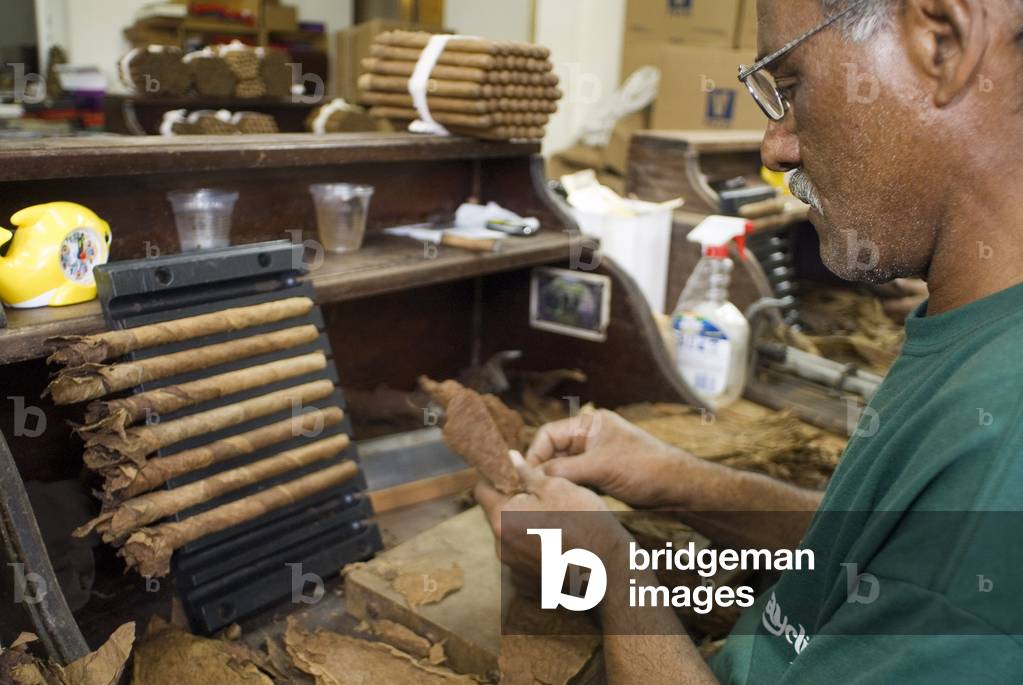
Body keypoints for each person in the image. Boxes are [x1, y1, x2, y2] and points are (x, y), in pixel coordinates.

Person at [475, 0, 1023, 682]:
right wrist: (683, 483)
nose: (776, 146)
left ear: (942, 41)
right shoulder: (978, 323)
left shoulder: (1004, 441)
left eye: (789, 88)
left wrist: (606, 571)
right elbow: (885, 561)